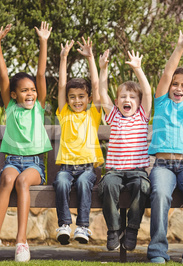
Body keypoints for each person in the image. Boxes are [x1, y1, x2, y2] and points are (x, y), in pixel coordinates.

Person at [0, 22, 53, 263]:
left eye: (32, 90)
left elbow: (41, 74)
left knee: (21, 181)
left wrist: (43, 41)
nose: (30, 93)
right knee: (8, 178)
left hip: (34, 166)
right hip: (12, 161)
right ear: (13, 95)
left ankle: (22, 242)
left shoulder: (38, 108)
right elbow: (3, 74)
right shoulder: (10, 108)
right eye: (24, 90)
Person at [146, 28, 183, 264]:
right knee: (160, 193)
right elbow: (166, 73)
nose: (179, 88)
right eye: (175, 84)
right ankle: (158, 252)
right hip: (162, 166)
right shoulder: (161, 103)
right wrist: (180, 45)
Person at [97, 49, 152, 251]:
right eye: (122, 96)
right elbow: (102, 93)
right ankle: (114, 230)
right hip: (114, 171)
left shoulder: (141, 116)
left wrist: (138, 69)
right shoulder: (114, 116)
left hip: (137, 171)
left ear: (138, 103)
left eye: (131, 97)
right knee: (108, 186)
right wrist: (103, 69)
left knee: (142, 186)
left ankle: (132, 230)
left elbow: (147, 92)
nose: (126, 99)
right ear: (117, 100)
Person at [53, 37, 104, 245]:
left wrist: (91, 57)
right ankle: (64, 225)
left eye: (81, 96)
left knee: (83, 182)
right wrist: (63, 58)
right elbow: (62, 86)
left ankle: (83, 227)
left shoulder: (93, 115)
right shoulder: (64, 113)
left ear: (88, 99)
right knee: (61, 182)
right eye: (72, 97)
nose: (76, 101)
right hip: (66, 167)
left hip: (87, 169)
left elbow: (96, 85)